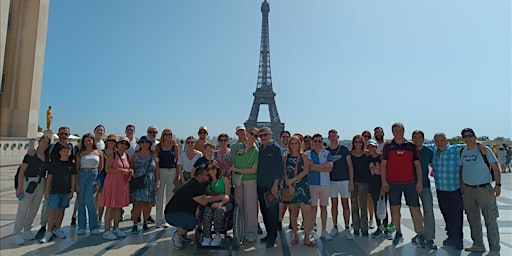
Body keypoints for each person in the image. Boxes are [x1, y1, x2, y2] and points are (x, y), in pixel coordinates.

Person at [380, 123, 426, 246]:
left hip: (410, 183)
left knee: (415, 209)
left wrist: (419, 182)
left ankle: (420, 234)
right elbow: (383, 164)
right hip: (393, 183)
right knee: (395, 209)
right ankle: (398, 232)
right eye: (396, 130)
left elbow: (417, 165)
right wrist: (384, 181)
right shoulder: (388, 146)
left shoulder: (410, 145)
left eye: (400, 130)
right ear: (392, 132)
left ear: (404, 131)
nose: (398, 132)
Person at [459, 128, 501, 255]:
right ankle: (478, 244)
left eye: (470, 136)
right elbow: (462, 169)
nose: (468, 138)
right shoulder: (462, 151)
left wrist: (498, 185)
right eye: (465, 136)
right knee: (473, 219)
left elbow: (495, 166)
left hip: (484, 189)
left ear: (475, 136)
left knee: (490, 219)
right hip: (469, 190)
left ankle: (494, 248)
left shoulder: (484, 149)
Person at [165, 165, 228, 249]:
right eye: (206, 175)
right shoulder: (194, 185)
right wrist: (220, 197)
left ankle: (182, 234)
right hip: (173, 214)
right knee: (191, 222)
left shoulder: (196, 183)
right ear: (199, 176)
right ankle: (177, 235)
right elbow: (203, 200)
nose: (208, 177)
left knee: (193, 218)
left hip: (177, 211)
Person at [425, 132, 465, 250]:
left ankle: (458, 240)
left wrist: (480, 144)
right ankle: (450, 236)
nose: (439, 143)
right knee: (445, 213)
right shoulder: (433, 150)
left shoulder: (455, 149)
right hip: (441, 189)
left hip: (454, 189)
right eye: (437, 141)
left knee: (456, 215)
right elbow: (418, 144)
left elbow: (470, 143)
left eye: (442, 140)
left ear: (447, 140)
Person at [12, 136, 50, 245]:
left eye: (46, 143)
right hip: (28, 182)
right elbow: (22, 171)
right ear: (39, 142)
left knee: (34, 208)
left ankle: (27, 230)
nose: (44, 144)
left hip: (41, 182)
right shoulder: (31, 154)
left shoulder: (46, 156)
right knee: (23, 208)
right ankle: (16, 233)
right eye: (43, 142)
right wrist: (19, 187)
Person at [282, 135, 316, 247]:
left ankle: (306, 237)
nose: (294, 145)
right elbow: (284, 172)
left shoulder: (304, 156)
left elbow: (305, 171)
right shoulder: (286, 157)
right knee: (293, 213)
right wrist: (288, 183)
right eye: (292, 143)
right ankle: (296, 236)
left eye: (296, 143)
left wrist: (293, 180)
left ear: (299, 144)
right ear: (289, 145)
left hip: (303, 187)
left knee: (306, 214)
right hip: (291, 187)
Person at [40, 144, 77, 243]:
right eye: (64, 151)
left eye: (68, 151)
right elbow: (49, 178)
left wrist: (72, 190)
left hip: (65, 191)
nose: (66, 153)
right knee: (52, 211)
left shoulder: (71, 165)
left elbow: (73, 178)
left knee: (61, 210)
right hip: (55, 191)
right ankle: (49, 231)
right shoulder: (54, 164)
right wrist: (47, 191)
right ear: (60, 152)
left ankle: (58, 229)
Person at [230, 127, 259, 243]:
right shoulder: (238, 147)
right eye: (251, 133)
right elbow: (233, 161)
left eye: (256, 136)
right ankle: (239, 230)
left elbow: (253, 170)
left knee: (250, 207)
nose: (252, 137)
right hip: (238, 181)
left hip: (249, 180)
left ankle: (251, 231)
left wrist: (237, 170)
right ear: (247, 133)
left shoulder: (256, 151)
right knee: (239, 206)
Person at [101, 136, 132, 240]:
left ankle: (116, 227)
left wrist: (129, 172)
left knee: (118, 206)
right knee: (110, 206)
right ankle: (106, 230)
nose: (123, 145)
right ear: (117, 144)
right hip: (112, 182)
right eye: (122, 143)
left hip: (122, 183)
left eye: (126, 144)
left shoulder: (126, 156)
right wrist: (122, 171)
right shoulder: (112, 154)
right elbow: (107, 169)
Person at [256, 126, 283, 248]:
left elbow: (279, 168)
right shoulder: (260, 148)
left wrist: (275, 185)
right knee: (265, 211)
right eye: (261, 136)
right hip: (261, 185)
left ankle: (273, 237)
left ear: (270, 135)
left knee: (272, 212)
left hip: (271, 186)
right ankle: (268, 234)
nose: (263, 138)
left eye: (265, 135)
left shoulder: (276, 148)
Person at [325, 129, 354, 239]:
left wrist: (351, 181)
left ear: (338, 137)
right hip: (332, 181)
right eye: (331, 136)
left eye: (334, 136)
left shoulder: (344, 150)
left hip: (344, 180)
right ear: (328, 138)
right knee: (334, 205)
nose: (333, 138)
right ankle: (335, 226)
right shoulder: (326, 151)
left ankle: (346, 228)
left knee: (345, 204)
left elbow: (350, 166)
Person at [411, 130, 437, 250]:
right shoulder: (409, 150)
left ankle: (430, 237)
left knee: (428, 210)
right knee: (415, 211)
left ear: (423, 138)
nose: (417, 140)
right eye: (415, 137)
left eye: (419, 137)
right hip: (410, 185)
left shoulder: (428, 152)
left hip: (425, 185)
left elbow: (434, 166)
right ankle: (420, 234)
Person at [129, 136, 159, 233]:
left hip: (150, 181)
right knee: (137, 203)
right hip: (138, 180)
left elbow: (157, 169)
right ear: (139, 143)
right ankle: (135, 223)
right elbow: (131, 167)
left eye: (147, 142)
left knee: (147, 203)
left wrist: (158, 182)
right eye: (142, 142)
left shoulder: (153, 155)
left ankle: (145, 222)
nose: (145, 143)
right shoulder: (135, 154)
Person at [75, 133, 104, 235]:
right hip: (82, 175)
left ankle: (93, 226)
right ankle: (81, 226)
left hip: (93, 175)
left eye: (90, 140)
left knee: (90, 201)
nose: (88, 142)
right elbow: (77, 168)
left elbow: (101, 168)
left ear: (93, 141)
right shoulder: (80, 153)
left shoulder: (99, 153)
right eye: (86, 140)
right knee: (81, 201)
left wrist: (98, 182)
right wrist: (76, 183)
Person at [306, 133, 333, 240]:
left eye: (319, 141)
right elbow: (310, 167)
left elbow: (330, 167)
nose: (317, 143)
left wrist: (317, 167)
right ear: (312, 142)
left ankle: (324, 230)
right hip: (313, 183)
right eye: (315, 141)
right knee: (313, 208)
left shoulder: (327, 152)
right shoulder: (308, 153)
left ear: (322, 142)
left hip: (325, 184)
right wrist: (324, 167)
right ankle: (312, 229)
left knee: (323, 208)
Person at [200, 160, 232, 247]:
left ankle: (218, 235)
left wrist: (220, 203)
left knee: (219, 211)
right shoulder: (207, 181)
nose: (211, 170)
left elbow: (227, 196)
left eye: (213, 168)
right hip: (211, 202)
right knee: (207, 211)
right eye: (209, 169)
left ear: (217, 168)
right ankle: (207, 236)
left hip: (224, 202)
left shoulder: (224, 180)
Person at [367, 139, 392, 240]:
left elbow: (385, 172)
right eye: (369, 147)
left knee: (383, 206)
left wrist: (384, 186)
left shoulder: (381, 158)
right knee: (377, 207)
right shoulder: (368, 159)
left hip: (382, 186)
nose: (371, 148)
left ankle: (386, 229)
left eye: (373, 146)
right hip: (372, 186)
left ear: (376, 147)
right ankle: (379, 228)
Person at [154, 129, 179, 228]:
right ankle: (158, 220)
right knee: (159, 197)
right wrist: (157, 177)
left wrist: (177, 175)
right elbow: (156, 161)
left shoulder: (175, 146)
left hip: (172, 172)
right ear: (163, 135)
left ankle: (166, 219)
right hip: (161, 171)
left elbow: (177, 161)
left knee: (169, 197)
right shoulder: (158, 146)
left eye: (170, 134)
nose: (169, 136)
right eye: (167, 134)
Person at [350, 135, 371, 236]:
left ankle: (364, 228)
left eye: (360, 142)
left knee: (363, 206)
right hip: (353, 182)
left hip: (364, 182)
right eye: (356, 142)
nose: (358, 144)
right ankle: (356, 228)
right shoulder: (350, 155)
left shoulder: (367, 154)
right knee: (354, 206)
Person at [96, 134, 116, 228]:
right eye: (110, 140)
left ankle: (110, 219)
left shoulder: (117, 153)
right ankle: (99, 218)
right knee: (101, 200)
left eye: (113, 141)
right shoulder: (102, 152)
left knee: (112, 200)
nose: (111, 142)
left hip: (114, 177)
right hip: (103, 176)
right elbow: (99, 166)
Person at [361, 130, 375, 229]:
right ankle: (362, 218)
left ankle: (371, 219)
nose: (366, 138)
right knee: (360, 200)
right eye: (364, 136)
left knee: (370, 200)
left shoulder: (371, 152)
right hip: (360, 178)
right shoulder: (358, 151)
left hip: (370, 179)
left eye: (368, 136)